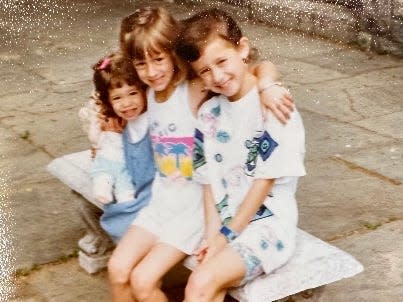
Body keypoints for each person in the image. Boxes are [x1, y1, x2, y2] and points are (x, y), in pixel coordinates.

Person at [107, 7, 296, 302]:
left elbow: (254, 66)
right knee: (118, 270)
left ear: (173, 53)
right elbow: (113, 88)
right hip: (162, 204)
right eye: (142, 63)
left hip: (194, 212)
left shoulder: (194, 87)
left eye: (159, 59)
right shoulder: (146, 93)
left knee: (144, 282)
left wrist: (269, 83)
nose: (152, 71)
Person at [175, 8, 306, 301]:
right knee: (206, 281)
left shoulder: (273, 106)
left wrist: (225, 237)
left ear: (242, 48)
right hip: (224, 222)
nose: (217, 76)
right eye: (205, 71)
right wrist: (212, 235)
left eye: (222, 61)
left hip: (266, 227)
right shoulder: (209, 113)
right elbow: (209, 181)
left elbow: (265, 182)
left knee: (199, 284)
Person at [81, 52, 155, 243]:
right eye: (117, 98)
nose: (127, 103)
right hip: (134, 186)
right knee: (122, 219)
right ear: (108, 101)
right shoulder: (117, 124)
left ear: (144, 90)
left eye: (133, 93)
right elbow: (105, 152)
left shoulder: (152, 118)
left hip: (153, 189)